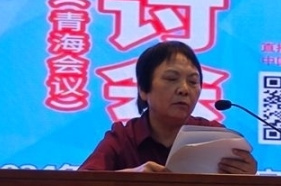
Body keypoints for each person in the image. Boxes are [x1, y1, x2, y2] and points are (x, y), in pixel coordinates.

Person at [80, 41, 257, 174]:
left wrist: (247, 175)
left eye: (193, 81)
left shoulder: (215, 136)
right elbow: (82, 184)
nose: (184, 90)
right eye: (171, 79)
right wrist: (132, 176)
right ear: (143, 90)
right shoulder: (124, 137)